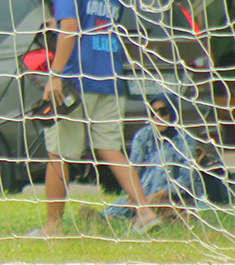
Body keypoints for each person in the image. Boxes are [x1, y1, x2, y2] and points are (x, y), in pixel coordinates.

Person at [28, 0, 161, 237]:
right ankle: (144, 211)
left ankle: (53, 226)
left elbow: (70, 29)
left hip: (78, 79)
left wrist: (56, 73)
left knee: (59, 154)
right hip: (111, 76)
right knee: (111, 148)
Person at [79, 94, 203, 223]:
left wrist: (162, 193)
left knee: (164, 156)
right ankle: (105, 219)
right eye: (152, 112)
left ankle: (148, 212)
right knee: (124, 204)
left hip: (175, 196)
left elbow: (187, 177)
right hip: (145, 194)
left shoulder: (185, 139)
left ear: (173, 113)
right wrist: (134, 195)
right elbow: (135, 169)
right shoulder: (143, 135)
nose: (157, 118)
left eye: (163, 112)